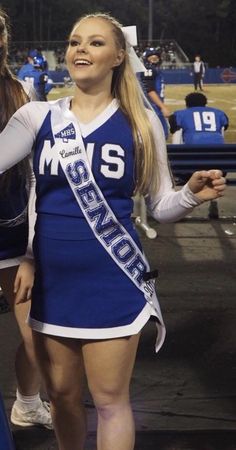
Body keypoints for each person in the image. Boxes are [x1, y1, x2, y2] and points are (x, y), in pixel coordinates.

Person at [0, 12, 226, 450]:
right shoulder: (36, 116)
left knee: (109, 402)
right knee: (63, 398)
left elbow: (161, 207)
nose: (80, 49)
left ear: (119, 56)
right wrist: (27, 255)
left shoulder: (142, 124)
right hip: (53, 283)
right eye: (74, 41)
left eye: (95, 43)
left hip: (113, 279)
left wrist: (192, 195)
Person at [0, 8, 52, 429]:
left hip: (11, 229)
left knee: (38, 336)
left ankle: (28, 402)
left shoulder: (21, 91)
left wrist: (34, 245)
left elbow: (36, 173)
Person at [139, 47, 170, 139]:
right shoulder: (149, 69)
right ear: (146, 59)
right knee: (160, 136)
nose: (154, 61)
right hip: (151, 106)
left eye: (156, 58)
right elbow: (150, 90)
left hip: (152, 106)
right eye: (151, 58)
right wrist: (163, 107)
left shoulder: (154, 70)